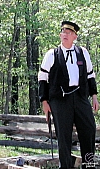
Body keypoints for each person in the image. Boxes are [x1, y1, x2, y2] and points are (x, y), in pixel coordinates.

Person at [38, 21, 99, 169]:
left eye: (69, 33)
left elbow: (90, 75)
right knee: (63, 135)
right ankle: (65, 166)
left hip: (80, 97)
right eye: (63, 32)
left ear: (75, 37)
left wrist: (94, 96)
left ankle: (88, 164)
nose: (65, 35)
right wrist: (44, 101)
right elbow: (42, 78)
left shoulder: (82, 52)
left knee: (89, 128)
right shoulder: (52, 54)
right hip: (60, 99)